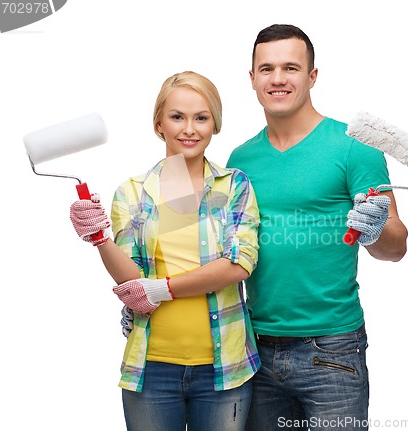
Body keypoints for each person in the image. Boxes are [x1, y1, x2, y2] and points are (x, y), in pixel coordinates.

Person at [226, 24, 408, 430]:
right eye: (266, 68)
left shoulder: (353, 146)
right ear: (252, 78)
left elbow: (395, 248)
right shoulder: (240, 158)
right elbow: (225, 248)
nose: (277, 79)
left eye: (291, 67)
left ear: (312, 76)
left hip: (332, 351)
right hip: (253, 348)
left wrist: (375, 228)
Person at [70, 71, 261, 431]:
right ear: (159, 123)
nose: (189, 128)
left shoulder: (234, 185)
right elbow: (132, 283)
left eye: (201, 117)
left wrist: (161, 289)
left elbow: (239, 264)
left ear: (214, 124)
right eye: (177, 117)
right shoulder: (132, 193)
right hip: (151, 369)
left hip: (225, 371)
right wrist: (98, 238)